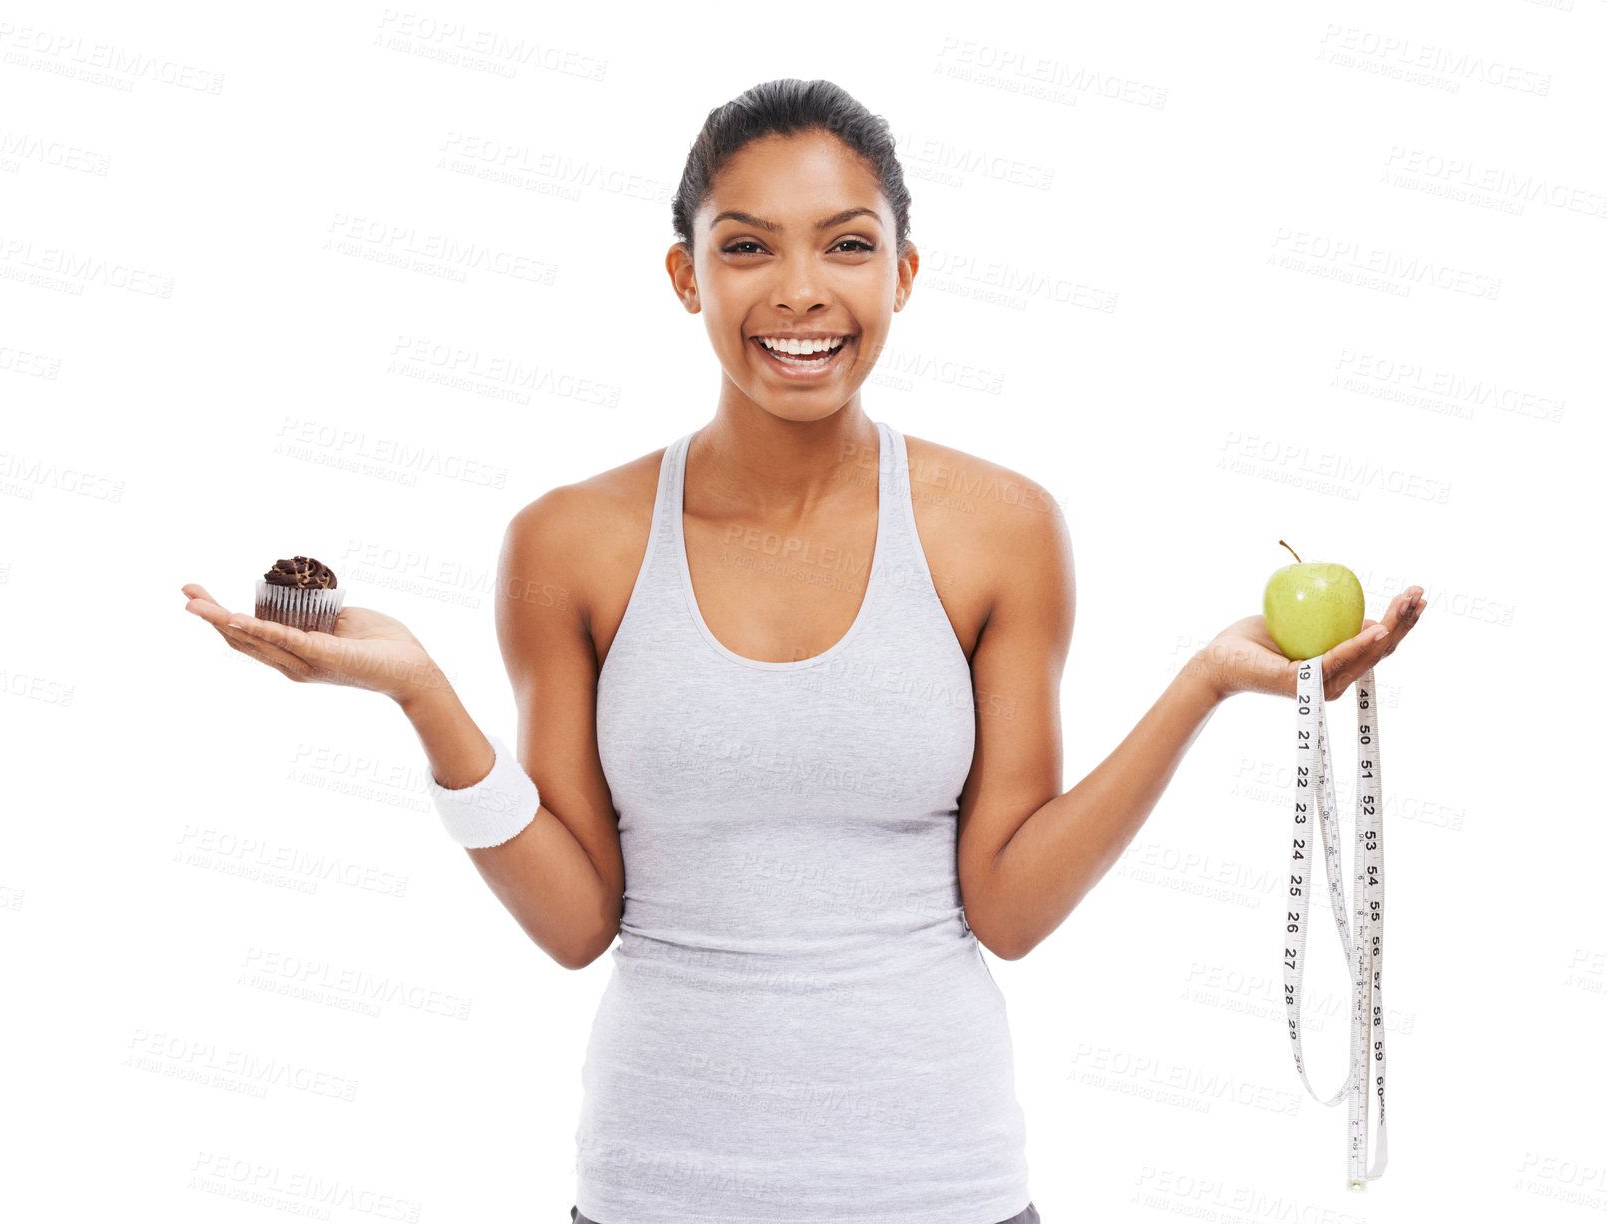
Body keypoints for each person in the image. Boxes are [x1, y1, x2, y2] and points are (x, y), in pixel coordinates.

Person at [181, 78, 1427, 1224]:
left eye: (846, 244)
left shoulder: (1000, 529)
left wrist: (1204, 681)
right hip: (656, 1187)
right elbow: (575, 923)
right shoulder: (571, 541)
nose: (800, 293)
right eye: (746, 247)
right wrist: (424, 696)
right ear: (684, 276)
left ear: (904, 271)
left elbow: (1010, 906)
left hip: (942, 1185)